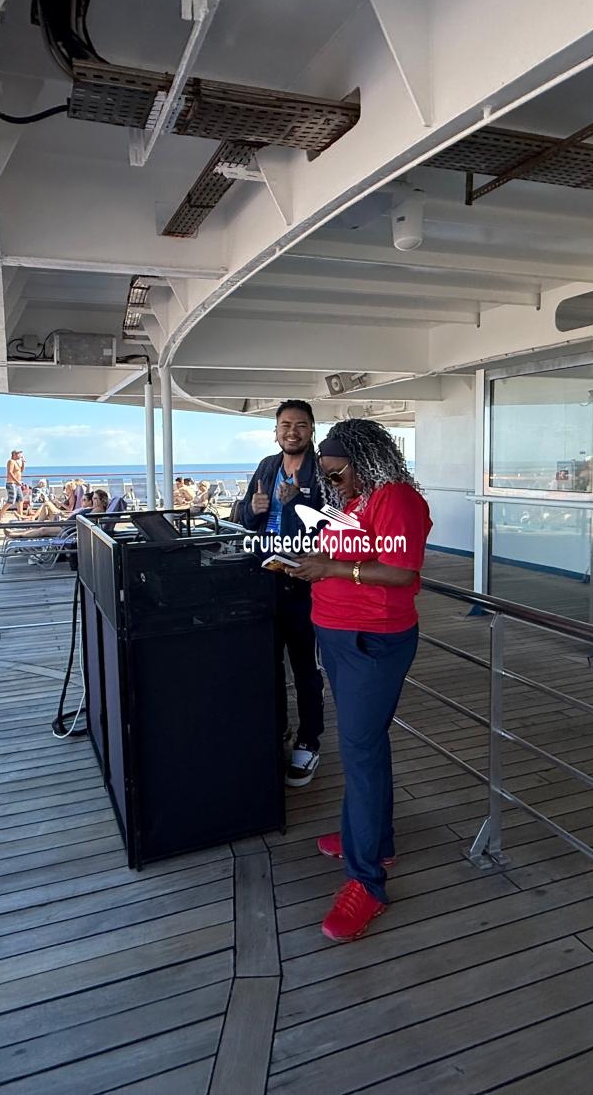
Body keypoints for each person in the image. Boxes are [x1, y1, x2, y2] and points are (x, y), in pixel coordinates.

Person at [290, 419, 431, 942]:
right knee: (365, 746)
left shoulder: (395, 498)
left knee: (359, 751)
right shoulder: (356, 500)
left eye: (338, 472)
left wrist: (330, 570)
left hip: (371, 641)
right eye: (326, 475)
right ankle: (372, 839)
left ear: (366, 461)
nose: (333, 483)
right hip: (340, 636)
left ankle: (367, 880)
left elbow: (401, 572)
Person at [235, 400, 328, 788]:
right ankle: (278, 727)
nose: (292, 431)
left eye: (301, 425)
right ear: (275, 431)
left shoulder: (322, 472)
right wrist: (252, 508)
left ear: (311, 430)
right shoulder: (267, 466)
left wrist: (298, 501)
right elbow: (243, 519)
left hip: (302, 582)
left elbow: (334, 524)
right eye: (285, 425)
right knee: (268, 663)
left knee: (305, 667)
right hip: (265, 578)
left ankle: (309, 740)